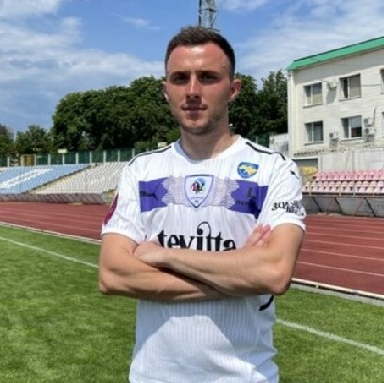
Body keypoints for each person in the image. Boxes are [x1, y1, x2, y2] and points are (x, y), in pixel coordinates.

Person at [99, 26, 306, 383]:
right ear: (166, 90)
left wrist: (164, 255)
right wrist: (237, 277)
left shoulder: (273, 169)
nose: (192, 90)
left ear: (233, 89)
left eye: (208, 77)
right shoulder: (141, 170)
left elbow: (273, 272)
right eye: (180, 78)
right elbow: (113, 274)